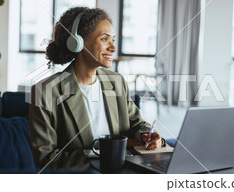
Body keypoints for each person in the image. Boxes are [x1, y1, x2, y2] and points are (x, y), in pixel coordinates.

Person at [29, 7, 164, 170]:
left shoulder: (116, 81)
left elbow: (136, 123)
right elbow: (46, 159)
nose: (113, 48)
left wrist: (147, 136)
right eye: (104, 39)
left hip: (122, 171)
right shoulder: (46, 91)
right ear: (77, 42)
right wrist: (102, 153)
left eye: (112, 40)